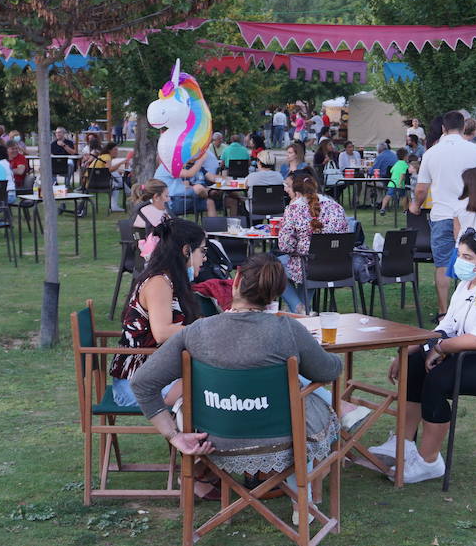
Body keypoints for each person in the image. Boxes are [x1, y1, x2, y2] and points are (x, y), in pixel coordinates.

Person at [128, 254, 344, 502]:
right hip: (281, 441)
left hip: (215, 439)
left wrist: (174, 436)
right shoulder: (288, 330)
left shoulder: (196, 332)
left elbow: (142, 382)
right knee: (312, 401)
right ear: (276, 294)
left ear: (237, 279)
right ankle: (303, 496)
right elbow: (329, 371)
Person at [368, 231, 476, 483]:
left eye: (468, 257)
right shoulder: (465, 287)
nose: (461, 261)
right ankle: (403, 444)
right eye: (460, 255)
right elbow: (445, 328)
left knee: (438, 378)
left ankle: (428, 461)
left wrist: (440, 348)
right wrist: (409, 349)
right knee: (414, 364)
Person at [109, 218, 207, 408]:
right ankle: (183, 428)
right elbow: (161, 332)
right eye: (202, 251)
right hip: (138, 383)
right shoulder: (159, 282)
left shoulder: (170, 280)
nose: (204, 258)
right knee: (210, 383)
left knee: (211, 377)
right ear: (186, 250)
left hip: (154, 374)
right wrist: (205, 327)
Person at [411, 111, 476, 315]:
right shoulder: (474, 150)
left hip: (442, 214)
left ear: (443, 128)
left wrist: (416, 204)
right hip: (470, 214)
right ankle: (468, 309)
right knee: (472, 261)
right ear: (463, 127)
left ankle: (444, 311)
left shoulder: (431, 153)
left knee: (442, 264)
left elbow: (421, 189)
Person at [275, 171, 348, 314]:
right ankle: (304, 311)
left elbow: (285, 246)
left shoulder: (294, 209)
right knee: (310, 260)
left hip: (309, 266)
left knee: (274, 267)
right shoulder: (337, 207)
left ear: (297, 192)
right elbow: (345, 236)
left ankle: (298, 308)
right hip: (337, 266)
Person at [379, 148, 410, 216]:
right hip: (400, 184)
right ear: (405, 156)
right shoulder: (404, 164)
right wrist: (400, 182)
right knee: (404, 196)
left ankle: (382, 208)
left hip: (392, 182)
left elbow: (391, 171)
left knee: (388, 196)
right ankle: (405, 210)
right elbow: (403, 174)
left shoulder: (396, 164)